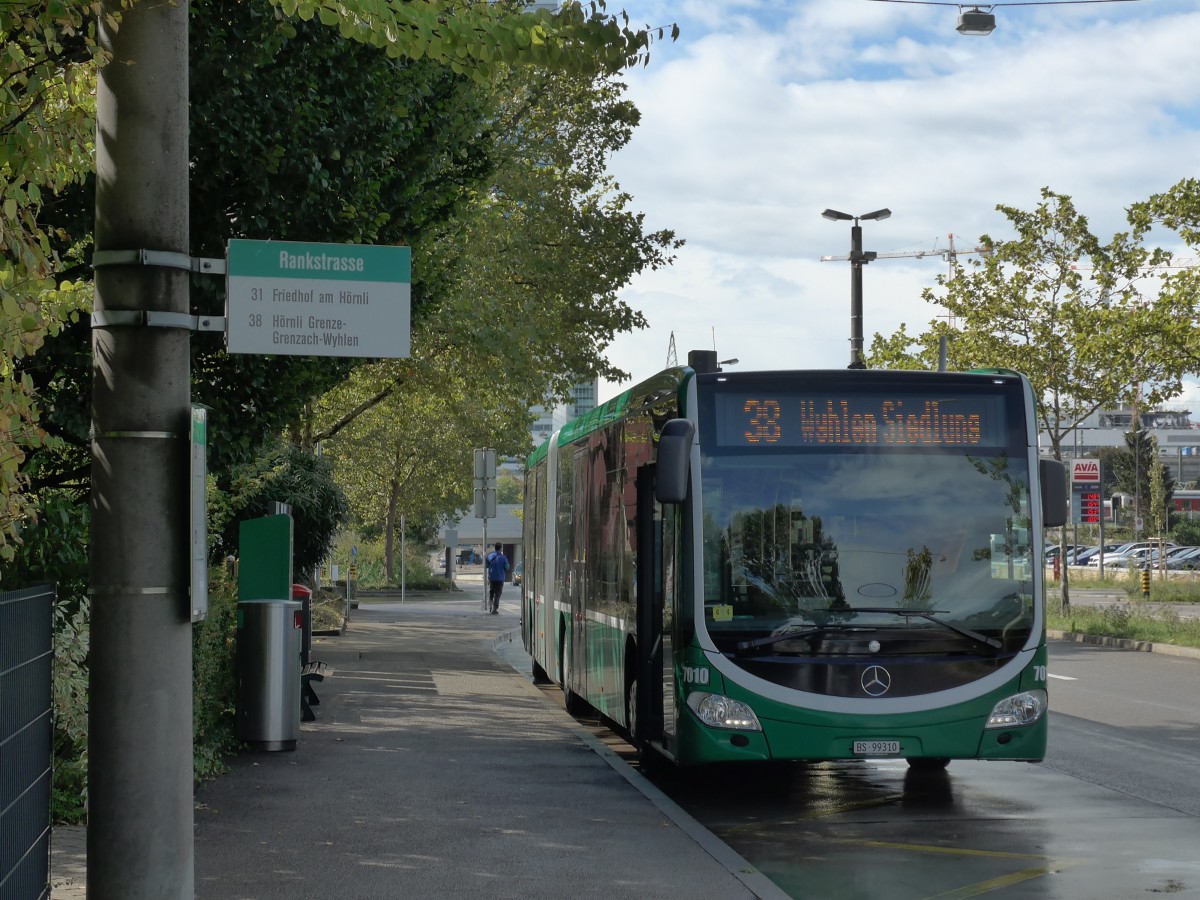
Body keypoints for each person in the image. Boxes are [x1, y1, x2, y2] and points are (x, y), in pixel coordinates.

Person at [485, 543, 510, 614]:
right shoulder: (503, 557)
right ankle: (494, 609)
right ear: (501, 548)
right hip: (500, 578)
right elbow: (507, 567)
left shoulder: (489, 556)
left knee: (492, 591)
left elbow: (486, 566)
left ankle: (490, 604)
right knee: (497, 594)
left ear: (495, 548)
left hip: (492, 578)